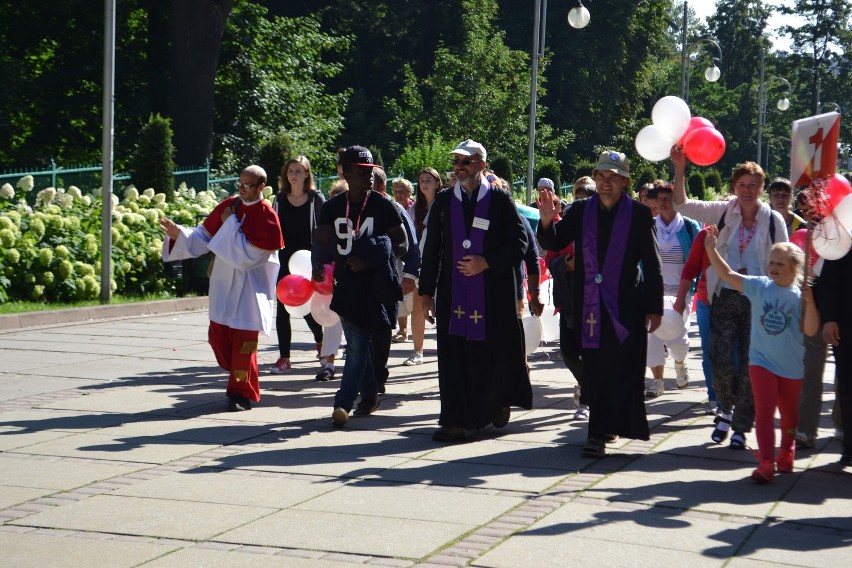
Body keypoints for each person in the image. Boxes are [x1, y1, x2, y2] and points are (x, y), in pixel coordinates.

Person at [537, 150, 663, 458]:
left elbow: (652, 262)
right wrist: (545, 219)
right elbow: (553, 242)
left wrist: (654, 306)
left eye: (613, 177)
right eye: (601, 176)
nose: (606, 183)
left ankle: (609, 424)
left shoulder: (637, 214)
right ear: (596, 178)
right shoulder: (580, 211)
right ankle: (596, 433)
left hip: (626, 307)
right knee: (594, 368)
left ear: (624, 182)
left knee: (620, 368)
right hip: (589, 306)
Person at [672, 146, 788, 450]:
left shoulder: (774, 221)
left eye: (753, 185)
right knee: (719, 355)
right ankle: (725, 407)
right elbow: (682, 204)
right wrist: (680, 168)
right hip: (725, 294)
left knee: (752, 361)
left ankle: (740, 425)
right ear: (733, 188)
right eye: (742, 185)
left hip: (760, 299)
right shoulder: (723, 211)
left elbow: (787, 262)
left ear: (762, 189)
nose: (747, 191)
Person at [419, 139, 533, 442]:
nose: (459, 168)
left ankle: (487, 412)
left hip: (491, 293)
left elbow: (520, 244)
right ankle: (455, 420)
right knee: (453, 357)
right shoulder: (444, 202)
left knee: (487, 356)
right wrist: (425, 292)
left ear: (481, 165)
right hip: (453, 293)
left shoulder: (500, 199)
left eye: (466, 162)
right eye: (456, 162)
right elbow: (433, 249)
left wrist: (487, 262)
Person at [160, 165, 283, 411]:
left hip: (249, 291)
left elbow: (247, 258)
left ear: (261, 187)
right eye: (240, 183)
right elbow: (203, 237)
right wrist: (180, 234)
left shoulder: (267, 216)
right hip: (223, 284)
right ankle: (239, 377)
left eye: (248, 185)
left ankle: (239, 395)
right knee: (219, 340)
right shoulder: (230, 206)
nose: (242, 189)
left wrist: (230, 225)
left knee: (244, 348)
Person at [704, 231, 818, 482]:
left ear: (794, 267)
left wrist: (811, 303)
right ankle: (766, 463)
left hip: (790, 366)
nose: (773, 267)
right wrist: (711, 250)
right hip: (761, 362)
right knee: (764, 412)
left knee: (790, 417)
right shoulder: (759, 286)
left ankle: (787, 449)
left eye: (780, 263)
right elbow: (729, 276)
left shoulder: (802, 295)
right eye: (772, 262)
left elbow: (810, 330)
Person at [312, 146, 408, 427]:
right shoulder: (331, 206)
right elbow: (321, 240)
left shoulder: (383, 205)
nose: (369, 175)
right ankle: (345, 403)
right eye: (361, 171)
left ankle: (365, 398)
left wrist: (371, 257)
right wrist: (317, 263)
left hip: (376, 287)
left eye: (371, 171)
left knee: (360, 345)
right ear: (345, 171)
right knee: (357, 345)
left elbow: (402, 244)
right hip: (346, 286)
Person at [269, 156, 325, 375]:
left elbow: (323, 230)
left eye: (299, 171)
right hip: (284, 258)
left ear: (307, 174)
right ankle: (284, 357)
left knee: (308, 304)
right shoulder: (280, 199)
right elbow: (273, 228)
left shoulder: (315, 199)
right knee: (283, 306)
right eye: (291, 170)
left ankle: (320, 341)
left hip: (308, 259)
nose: (294, 175)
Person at [645, 184, 700, 398]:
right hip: (655, 290)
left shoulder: (688, 226)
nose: (664, 201)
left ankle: (680, 363)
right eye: (660, 198)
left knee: (679, 335)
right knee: (653, 335)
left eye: (668, 197)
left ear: (677, 201)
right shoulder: (650, 226)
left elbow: (697, 259)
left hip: (681, 289)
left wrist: (695, 285)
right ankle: (657, 382)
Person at [404, 167, 441, 367]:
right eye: (421, 180)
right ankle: (418, 351)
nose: (424, 184)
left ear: (437, 183)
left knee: (442, 307)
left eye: (429, 180)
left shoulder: (443, 205)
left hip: (441, 263)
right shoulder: (414, 209)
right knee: (417, 306)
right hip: (420, 264)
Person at [819, 251, 852, 466]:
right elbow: (828, 281)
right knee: (848, 388)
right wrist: (829, 319)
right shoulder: (844, 238)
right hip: (846, 324)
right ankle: (850, 446)